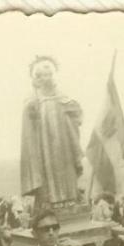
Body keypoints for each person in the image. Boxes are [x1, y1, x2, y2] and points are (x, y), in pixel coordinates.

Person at [20, 56, 84, 207]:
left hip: (63, 141)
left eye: (50, 74)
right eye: (43, 75)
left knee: (65, 166)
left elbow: (77, 113)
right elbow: (29, 116)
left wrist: (72, 109)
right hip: (43, 142)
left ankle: (70, 198)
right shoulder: (34, 98)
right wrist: (32, 107)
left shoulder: (62, 96)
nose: (47, 78)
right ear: (37, 78)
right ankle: (48, 200)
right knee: (46, 166)